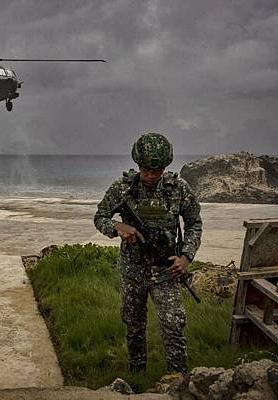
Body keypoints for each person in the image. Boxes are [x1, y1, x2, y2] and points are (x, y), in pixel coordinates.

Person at [94, 132, 202, 374]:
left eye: (157, 170)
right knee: (133, 325)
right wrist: (117, 227)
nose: (151, 175)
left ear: (165, 167)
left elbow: (194, 223)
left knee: (174, 324)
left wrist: (186, 257)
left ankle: (178, 379)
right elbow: (100, 217)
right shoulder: (122, 188)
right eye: (146, 170)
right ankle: (137, 377)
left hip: (166, 270)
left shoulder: (179, 188)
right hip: (133, 270)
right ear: (138, 164)